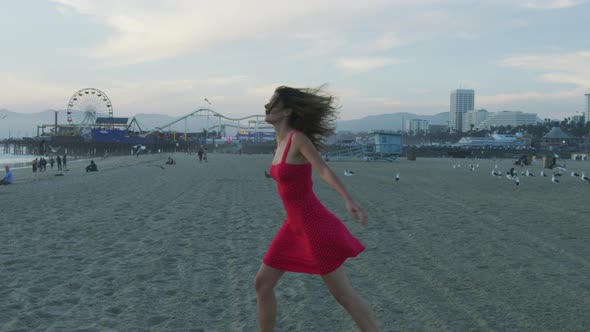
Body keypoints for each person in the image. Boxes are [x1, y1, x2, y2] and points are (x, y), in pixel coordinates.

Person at [255, 86, 377, 331]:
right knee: (262, 284)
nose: (266, 106)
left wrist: (348, 199)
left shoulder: (297, 139)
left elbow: (322, 169)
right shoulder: (279, 143)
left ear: (287, 111)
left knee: (344, 297)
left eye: (273, 102)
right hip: (293, 226)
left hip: (314, 226)